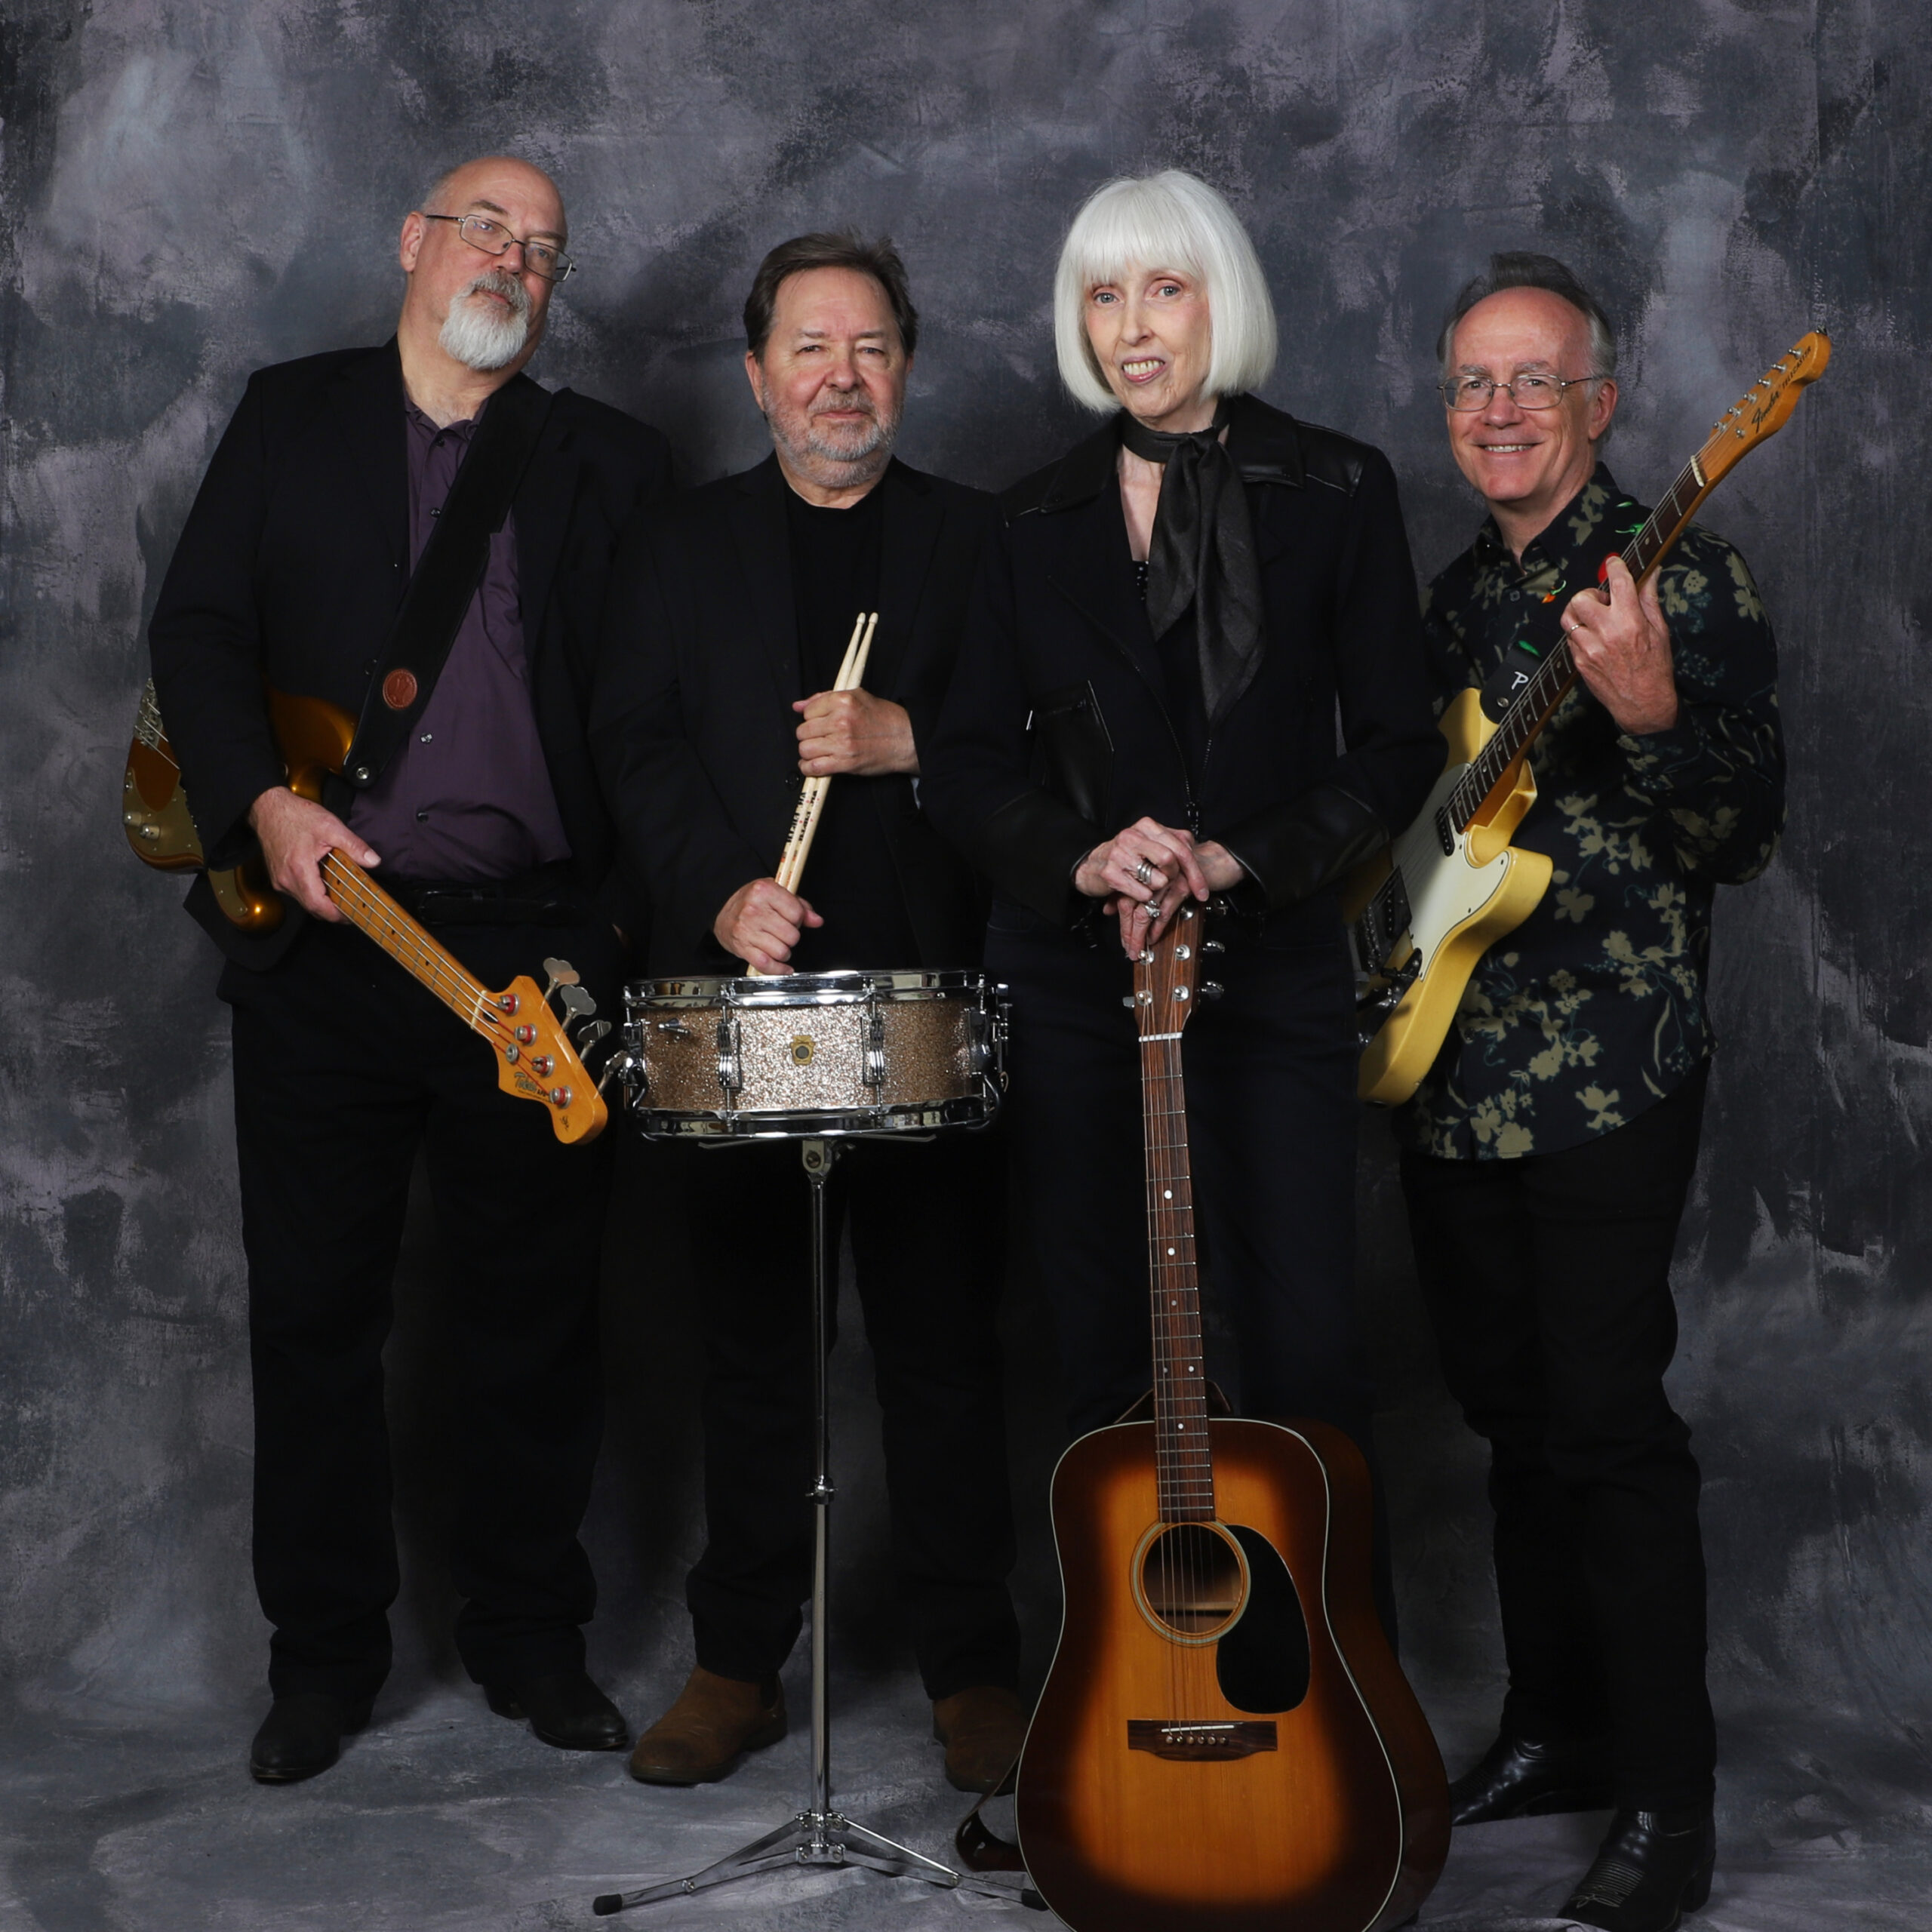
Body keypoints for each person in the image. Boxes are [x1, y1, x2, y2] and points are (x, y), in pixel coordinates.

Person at [147, 155, 672, 1783]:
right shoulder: (288, 414)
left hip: (529, 949)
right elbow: (198, 631)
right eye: (484, 226)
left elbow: (654, 717)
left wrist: (605, 937)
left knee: (536, 1317)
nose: (511, 256)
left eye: (543, 245)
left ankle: (530, 1637)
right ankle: (322, 1661)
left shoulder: (610, 462)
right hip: (331, 939)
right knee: (315, 1315)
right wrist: (262, 803)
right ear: (413, 242)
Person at [921, 172, 1440, 1563]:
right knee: (1106, 1343)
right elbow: (963, 769)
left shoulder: (1341, 488)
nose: (1132, 327)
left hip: (1272, 966)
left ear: (1224, 300)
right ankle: (1132, 1671)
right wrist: (1086, 856)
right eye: (1103, 295)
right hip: (1079, 984)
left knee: (1305, 1344)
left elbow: (1398, 747)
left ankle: (1328, 1671)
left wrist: (1237, 857)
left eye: (1164, 288)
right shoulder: (1025, 524)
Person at [590, 232, 1023, 1794]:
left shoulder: (983, 540)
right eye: (811, 349)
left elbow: (1050, 743)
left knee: (942, 1344)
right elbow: (632, 740)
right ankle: (737, 1663)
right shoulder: (676, 543)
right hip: (744, 990)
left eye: (872, 349)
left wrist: (913, 739)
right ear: (759, 373)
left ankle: (974, 1663)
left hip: (926, 990)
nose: (843, 379)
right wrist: (719, 891)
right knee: (753, 1343)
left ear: (905, 368)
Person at [1395, 252, 1784, 1932]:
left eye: (1532, 382)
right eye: (1472, 383)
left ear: (1599, 405)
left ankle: (1666, 1798)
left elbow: (1739, 836)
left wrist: (1653, 712)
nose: (1498, 411)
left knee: (1609, 1426)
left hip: (1612, 1059)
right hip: (1448, 1057)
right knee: (1508, 1419)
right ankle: (1555, 1728)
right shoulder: (1448, 598)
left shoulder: (1678, 577)